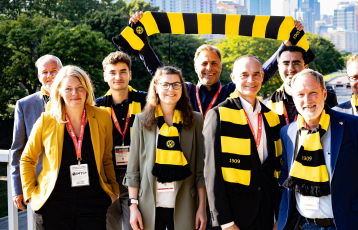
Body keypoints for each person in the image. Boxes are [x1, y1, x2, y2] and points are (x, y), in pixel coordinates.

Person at [128, 11, 303, 118]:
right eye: (204, 63)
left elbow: (261, 72)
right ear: (196, 67)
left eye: (214, 63)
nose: (209, 68)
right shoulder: (185, 90)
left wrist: (286, 44)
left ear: (220, 67)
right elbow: (159, 73)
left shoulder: (231, 91)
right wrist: (141, 40)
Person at [278, 69, 358, 230]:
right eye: (300, 94)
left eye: (313, 93)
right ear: (293, 98)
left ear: (324, 94)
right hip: (305, 225)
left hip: (346, 224)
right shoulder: (288, 133)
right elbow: (286, 179)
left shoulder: (354, 126)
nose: (307, 100)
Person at [20, 65, 120, 230]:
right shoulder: (47, 120)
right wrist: (30, 194)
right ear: (59, 91)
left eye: (80, 87)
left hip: (93, 203)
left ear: (87, 89)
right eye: (68, 89)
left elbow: (106, 158)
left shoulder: (102, 116)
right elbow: (27, 159)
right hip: (54, 203)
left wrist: (113, 192)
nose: (75, 93)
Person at [203, 55, 283, 230]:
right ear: (233, 78)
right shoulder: (218, 115)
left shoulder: (273, 118)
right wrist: (225, 221)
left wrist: (280, 216)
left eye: (256, 74)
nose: (251, 80)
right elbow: (211, 172)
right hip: (233, 216)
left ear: (262, 76)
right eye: (244, 74)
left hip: (267, 214)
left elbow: (276, 170)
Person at [125, 66, 206, 230]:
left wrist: (202, 208)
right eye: (165, 85)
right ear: (156, 87)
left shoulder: (196, 120)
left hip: (186, 206)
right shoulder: (141, 121)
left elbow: (200, 171)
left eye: (176, 85)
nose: (171, 89)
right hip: (149, 207)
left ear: (182, 88)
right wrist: (133, 207)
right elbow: (133, 170)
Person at [95, 51, 148, 230]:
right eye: (112, 72)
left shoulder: (146, 101)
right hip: (107, 177)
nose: (118, 77)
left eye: (123, 71)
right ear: (105, 76)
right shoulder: (96, 106)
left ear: (130, 75)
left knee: (136, 226)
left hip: (138, 176)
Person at [11, 54, 62, 229]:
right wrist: (18, 188)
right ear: (39, 76)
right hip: (39, 186)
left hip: (71, 182)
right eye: (45, 72)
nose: (50, 76)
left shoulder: (74, 99)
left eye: (54, 71)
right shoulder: (24, 105)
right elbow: (18, 150)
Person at [264, 45, 337, 126]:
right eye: (286, 64)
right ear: (279, 68)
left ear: (306, 67)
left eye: (296, 63)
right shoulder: (266, 105)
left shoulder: (328, 99)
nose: (291, 69)